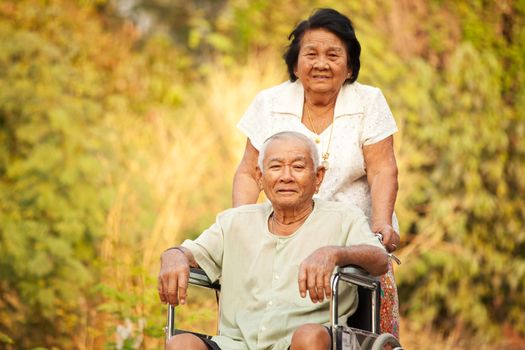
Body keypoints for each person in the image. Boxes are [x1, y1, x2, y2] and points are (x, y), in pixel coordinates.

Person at [232, 8, 401, 337]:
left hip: (353, 236)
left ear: (349, 66)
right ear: (296, 64)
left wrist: (381, 222)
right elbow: (249, 173)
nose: (321, 63)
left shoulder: (369, 102)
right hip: (283, 235)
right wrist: (242, 224)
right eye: (310, 53)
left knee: (360, 332)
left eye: (333, 54)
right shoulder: (270, 102)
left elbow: (383, 169)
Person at [158, 132, 388, 350]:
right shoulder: (234, 222)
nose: (286, 176)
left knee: (309, 336)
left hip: (303, 343)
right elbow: (189, 252)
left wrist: (335, 253)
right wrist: (173, 255)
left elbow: (379, 260)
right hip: (237, 344)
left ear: (318, 176)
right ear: (260, 176)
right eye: (276, 166)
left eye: (298, 167)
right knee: (180, 344)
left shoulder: (343, 218)